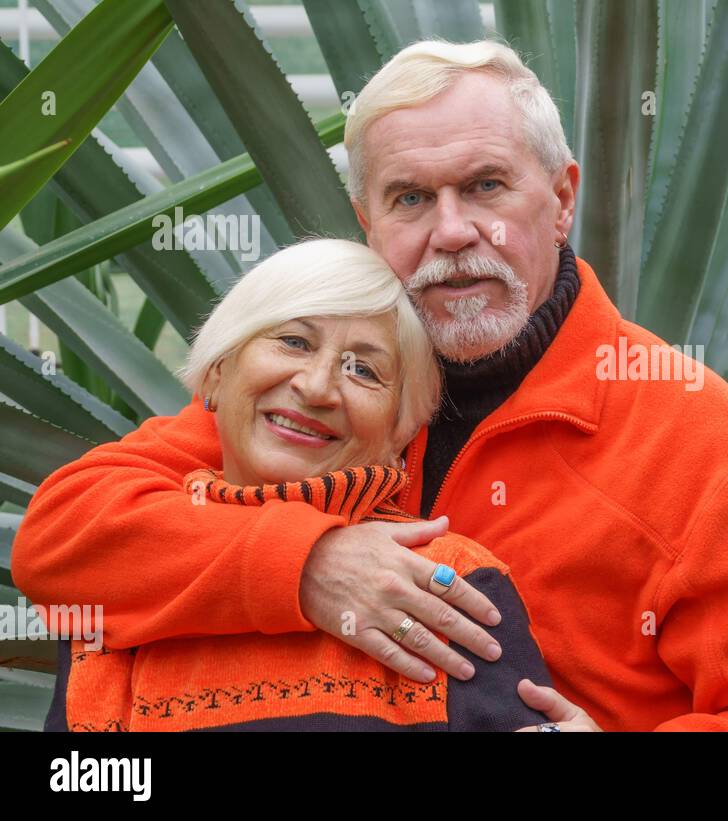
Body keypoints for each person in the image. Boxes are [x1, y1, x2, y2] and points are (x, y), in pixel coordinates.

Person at [13, 39, 728, 731]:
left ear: (559, 199)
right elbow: (65, 543)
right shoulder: (322, 398)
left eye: (485, 186)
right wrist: (307, 563)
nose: (450, 232)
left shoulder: (709, 448)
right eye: (409, 198)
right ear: (367, 223)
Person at [41, 239, 559, 732]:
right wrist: (299, 563)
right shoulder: (116, 572)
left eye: (363, 370)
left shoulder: (448, 584)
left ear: (400, 430)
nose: (315, 387)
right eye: (293, 341)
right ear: (217, 374)